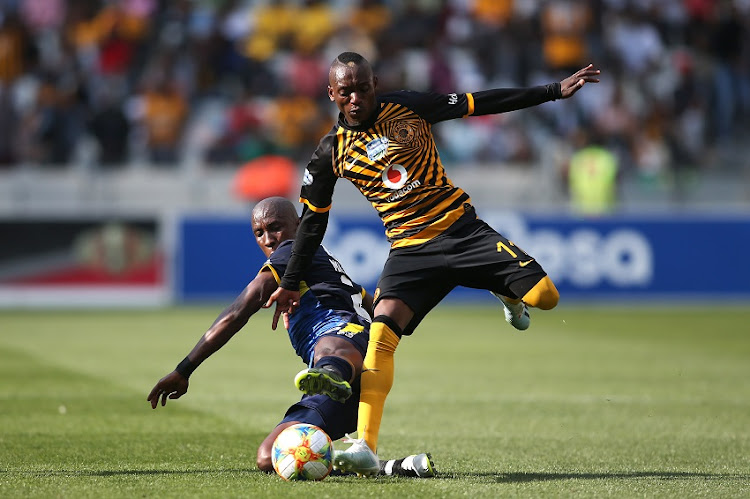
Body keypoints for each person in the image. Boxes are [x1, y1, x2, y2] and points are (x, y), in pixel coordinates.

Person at [264, 52, 601, 476]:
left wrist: (552, 91)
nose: (355, 98)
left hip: (463, 231)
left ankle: (506, 290)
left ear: (375, 85)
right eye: (345, 91)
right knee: (380, 335)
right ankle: (365, 445)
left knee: (546, 298)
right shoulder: (331, 152)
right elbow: (312, 223)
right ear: (331, 94)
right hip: (410, 252)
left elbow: (480, 102)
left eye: (362, 88)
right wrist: (291, 281)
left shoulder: (407, 106)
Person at [147, 196, 435, 478]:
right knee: (268, 457)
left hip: (345, 347)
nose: (269, 239)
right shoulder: (324, 263)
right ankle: (390, 466)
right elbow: (369, 303)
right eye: (259, 232)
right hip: (350, 389)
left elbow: (237, 312)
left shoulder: (293, 250)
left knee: (332, 346)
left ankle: (331, 372)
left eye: (275, 227)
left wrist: (184, 370)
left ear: (299, 225)